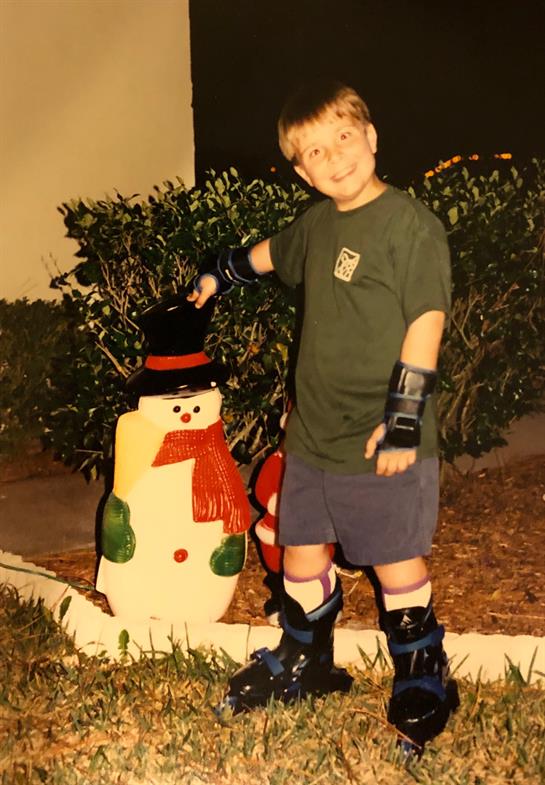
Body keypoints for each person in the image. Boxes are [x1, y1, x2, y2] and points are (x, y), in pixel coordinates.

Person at [188, 79, 458, 751]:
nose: (333, 156)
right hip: (311, 433)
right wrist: (220, 271)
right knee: (299, 555)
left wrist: (403, 414)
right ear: (301, 171)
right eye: (314, 150)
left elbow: (426, 321)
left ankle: (423, 672)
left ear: (370, 137)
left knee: (395, 560)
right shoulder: (315, 224)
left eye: (343, 136)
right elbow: (268, 254)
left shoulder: (407, 224)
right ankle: (309, 661)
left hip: (382, 437)